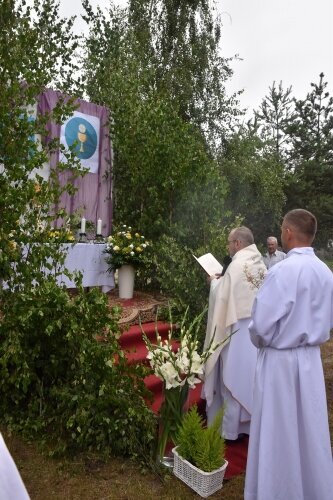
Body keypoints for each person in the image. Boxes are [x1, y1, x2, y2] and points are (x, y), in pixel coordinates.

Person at [244, 209, 333, 500]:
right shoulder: (325, 272)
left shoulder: (282, 271)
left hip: (280, 362)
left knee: (278, 432)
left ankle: (276, 490)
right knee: (310, 431)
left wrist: (260, 340)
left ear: (289, 233)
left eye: (282, 229)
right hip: (310, 361)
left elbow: (261, 325)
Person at [202, 226, 267, 440]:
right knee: (248, 376)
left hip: (235, 330)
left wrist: (213, 283)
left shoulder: (237, 265)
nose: (229, 247)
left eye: (230, 242)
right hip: (253, 332)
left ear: (237, 243)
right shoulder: (260, 264)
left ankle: (229, 430)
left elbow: (222, 297)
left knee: (230, 374)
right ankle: (246, 425)